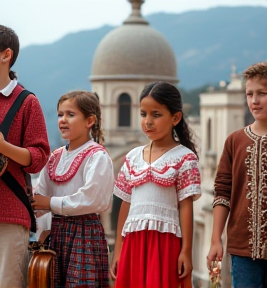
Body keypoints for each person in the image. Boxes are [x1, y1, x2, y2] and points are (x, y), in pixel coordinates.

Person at [110, 82, 202, 288]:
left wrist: (186, 251)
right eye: (143, 114)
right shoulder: (133, 157)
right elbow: (125, 204)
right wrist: (118, 250)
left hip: (165, 244)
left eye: (156, 115)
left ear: (175, 118)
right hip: (133, 243)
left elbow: (186, 207)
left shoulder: (184, 158)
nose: (148, 122)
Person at [0, 24, 50, 288]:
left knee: (9, 284)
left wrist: (3, 148)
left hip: (9, 212)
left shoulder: (27, 101)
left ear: (6, 55)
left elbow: (40, 157)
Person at [32, 90, 114, 288]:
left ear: (89, 121)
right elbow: (40, 195)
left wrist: (49, 203)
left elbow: (91, 199)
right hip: (56, 233)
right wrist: (42, 227)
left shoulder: (97, 157)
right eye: (60, 114)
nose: (63, 120)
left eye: (71, 114)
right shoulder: (55, 157)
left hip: (84, 233)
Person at [207, 61, 267, 288]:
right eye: (250, 94)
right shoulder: (235, 141)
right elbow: (222, 192)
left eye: (262, 93)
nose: (254, 100)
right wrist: (216, 240)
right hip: (242, 250)